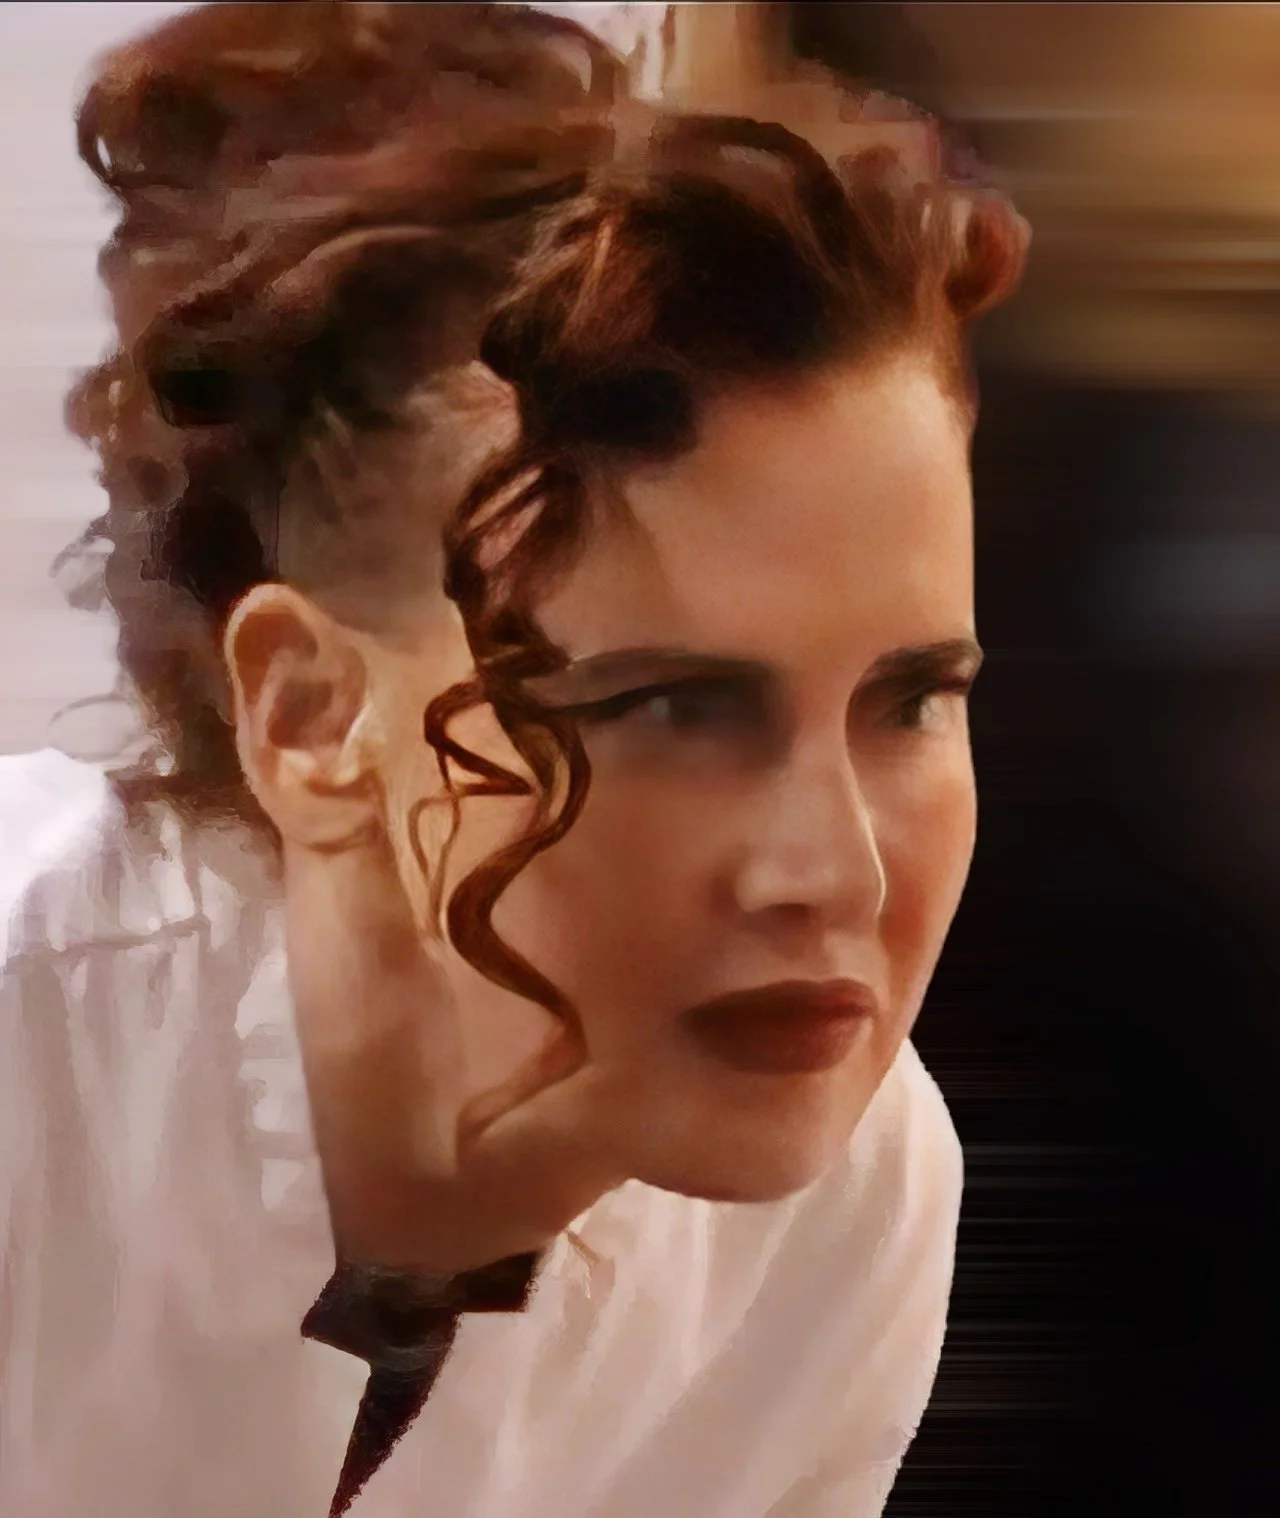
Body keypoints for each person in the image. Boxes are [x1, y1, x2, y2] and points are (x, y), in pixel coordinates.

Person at [0, 3, 1027, 1516]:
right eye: (671, 708)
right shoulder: (33, 1076)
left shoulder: (850, 1200)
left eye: (912, 700)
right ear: (311, 716)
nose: (837, 873)